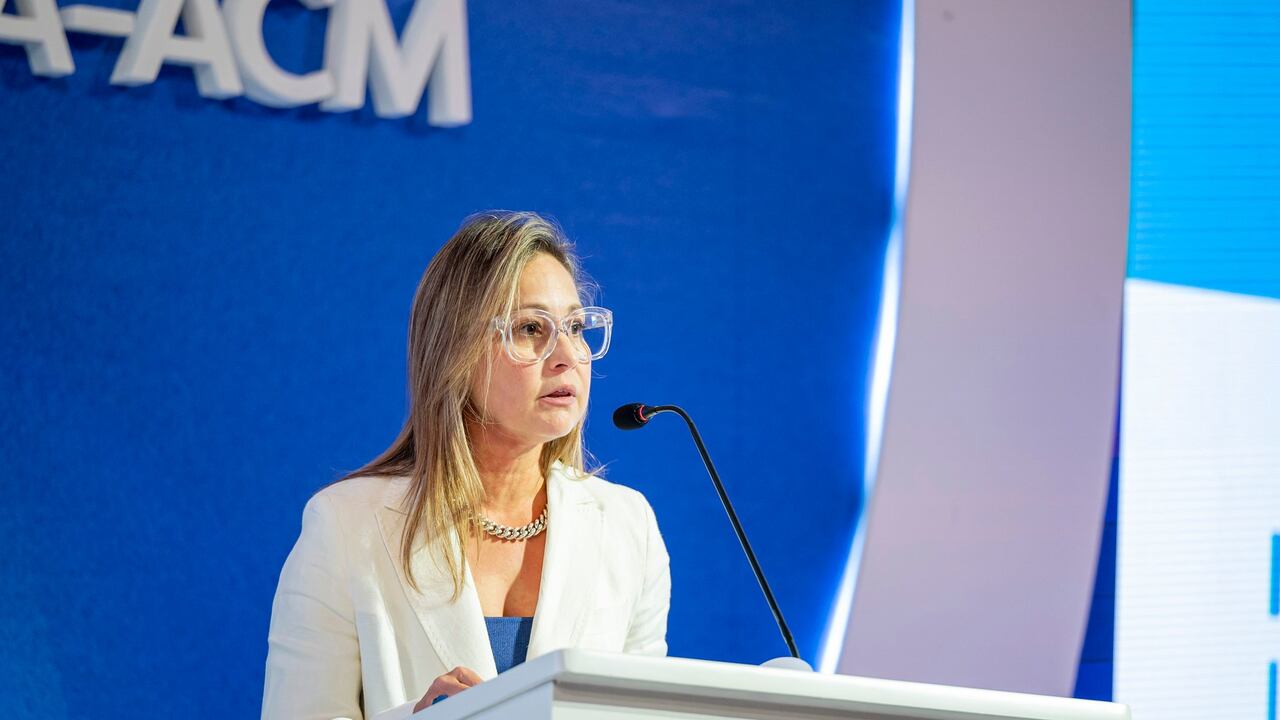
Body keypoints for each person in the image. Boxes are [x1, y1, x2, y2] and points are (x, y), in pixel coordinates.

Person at [261, 211, 671, 720]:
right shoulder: (346, 527)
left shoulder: (627, 527)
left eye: (576, 326)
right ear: (456, 349)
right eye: (530, 328)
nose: (567, 354)